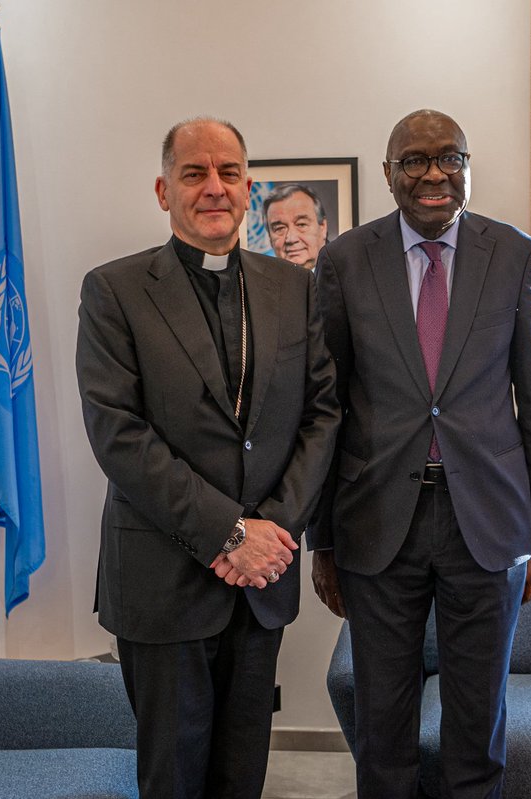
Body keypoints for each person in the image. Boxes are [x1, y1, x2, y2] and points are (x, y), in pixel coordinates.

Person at [76, 116, 340, 799]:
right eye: (195, 173)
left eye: (228, 173)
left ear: (249, 189)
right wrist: (230, 533)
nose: (213, 187)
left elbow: (322, 414)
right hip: (162, 583)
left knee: (242, 776)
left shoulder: (293, 288)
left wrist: (273, 534)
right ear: (164, 191)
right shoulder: (114, 291)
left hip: (260, 585)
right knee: (172, 778)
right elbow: (119, 435)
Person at [309, 109, 531, 799]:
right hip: (375, 522)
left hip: (487, 521)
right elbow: (325, 409)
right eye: (414, 161)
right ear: (389, 175)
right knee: (382, 728)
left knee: (476, 729)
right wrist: (322, 539)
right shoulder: (342, 261)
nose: (433, 175)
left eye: (449, 158)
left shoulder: (513, 255)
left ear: (468, 166)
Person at [262, 182, 329, 271]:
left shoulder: (347, 274)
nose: (291, 239)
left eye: (301, 224)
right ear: (270, 238)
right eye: (279, 228)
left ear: (323, 227)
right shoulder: (258, 281)